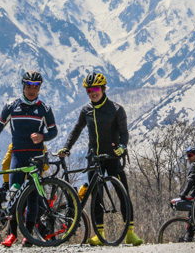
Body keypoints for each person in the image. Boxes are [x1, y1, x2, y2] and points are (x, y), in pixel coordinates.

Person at [58, 72, 144, 246]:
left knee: (123, 193)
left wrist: (123, 147)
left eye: (96, 88)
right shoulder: (86, 110)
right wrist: (67, 147)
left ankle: (129, 233)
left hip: (112, 157)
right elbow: (76, 130)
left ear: (103, 89)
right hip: (94, 159)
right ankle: (99, 234)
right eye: (89, 90)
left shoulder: (116, 109)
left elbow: (124, 133)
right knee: (96, 196)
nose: (92, 92)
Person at [0, 71, 57, 248]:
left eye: (35, 86)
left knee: (33, 197)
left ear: (40, 88)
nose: (31, 90)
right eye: (28, 85)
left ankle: (27, 235)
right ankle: (12, 234)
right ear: (23, 85)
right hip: (18, 156)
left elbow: (54, 131)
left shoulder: (44, 109)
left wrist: (43, 137)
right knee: (13, 195)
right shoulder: (12, 106)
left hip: (36, 157)